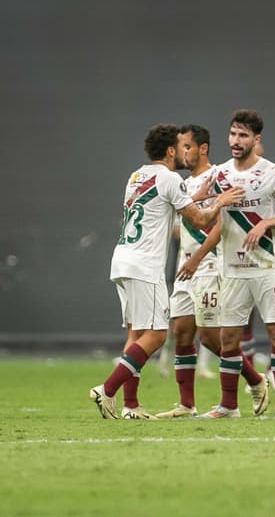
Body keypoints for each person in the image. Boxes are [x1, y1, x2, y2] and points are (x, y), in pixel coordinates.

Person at [89, 123, 244, 419]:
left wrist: (196, 197)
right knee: (158, 335)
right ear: (171, 150)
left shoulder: (137, 176)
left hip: (122, 258)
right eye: (180, 146)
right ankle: (106, 390)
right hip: (145, 265)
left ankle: (131, 406)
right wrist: (220, 201)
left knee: (137, 333)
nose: (184, 151)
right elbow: (199, 220)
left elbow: (167, 204)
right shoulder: (171, 178)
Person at [198, 110, 275, 419]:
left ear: (256, 140)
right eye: (232, 134)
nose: (235, 140)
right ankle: (228, 406)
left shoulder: (273, 173)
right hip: (231, 269)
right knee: (228, 339)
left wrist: (267, 224)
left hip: (267, 268)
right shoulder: (219, 174)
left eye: (243, 135)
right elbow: (196, 206)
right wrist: (211, 199)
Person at [156, 124, 269, 418]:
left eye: (187, 147)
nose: (182, 152)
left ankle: (255, 380)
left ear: (202, 148)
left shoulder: (219, 177)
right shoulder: (182, 183)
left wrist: (197, 257)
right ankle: (186, 404)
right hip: (186, 264)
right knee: (181, 331)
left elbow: (223, 224)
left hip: (209, 265)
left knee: (208, 337)